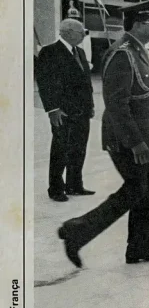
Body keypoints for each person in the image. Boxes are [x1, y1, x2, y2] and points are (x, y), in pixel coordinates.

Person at [57, 0, 149, 268]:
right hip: (126, 138)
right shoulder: (123, 54)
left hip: (144, 133)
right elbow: (117, 105)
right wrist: (135, 143)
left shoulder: (138, 49)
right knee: (135, 189)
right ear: (140, 25)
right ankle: (76, 230)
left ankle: (140, 247)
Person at [36, 17, 96, 202]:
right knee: (60, 150)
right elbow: (45, 82)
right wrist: (52, 109)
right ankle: (55, 188)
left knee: (79, 149)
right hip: (63, 112)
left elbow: (86, 83)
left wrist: (91, 105)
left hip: (82, 112)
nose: (83, 36)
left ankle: (74, 185)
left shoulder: (80, 52)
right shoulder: (49, 52)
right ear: (68, 33)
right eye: (81, 33)